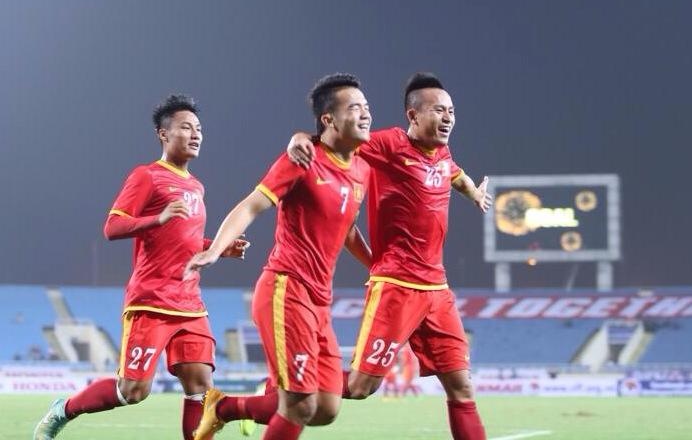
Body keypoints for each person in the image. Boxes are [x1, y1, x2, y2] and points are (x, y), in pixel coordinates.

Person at [287, 72, 492, 440]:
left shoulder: (442, 153)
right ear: (413, 115)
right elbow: (334, 142)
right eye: (438, 111)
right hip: (397, 286)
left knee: (462, 387)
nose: (448, 118)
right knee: (361, 387)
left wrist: (474, 193)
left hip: (437, 290)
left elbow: (454, 174)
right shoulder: (388, 145)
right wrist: (301, 138)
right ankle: (273, 395)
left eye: (451, 111)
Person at [33, 94, 248, 440]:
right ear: (163, 134)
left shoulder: (196, 186)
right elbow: (112, 227)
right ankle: (64, 409)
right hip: (152, 301)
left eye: (199, 128)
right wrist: (156, 218)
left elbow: (185, 238)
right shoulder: (147, 176)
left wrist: (218, 248)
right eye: (185, 127)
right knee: (132, 391)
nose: (195, 134)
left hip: (190, 303)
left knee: (201, 389)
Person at [186, 73, 372, 440]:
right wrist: (215, 249)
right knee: (300, 405)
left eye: (367, 107)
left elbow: (347, 227)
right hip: (287, 290)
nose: (366, 114)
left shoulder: (362, 168)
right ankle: (231, 407)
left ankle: (223, 407)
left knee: (326, 408)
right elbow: (251, 205)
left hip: (320, 300)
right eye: (355, 108)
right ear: (329, 119)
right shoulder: (302, 159)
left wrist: (376, 265)